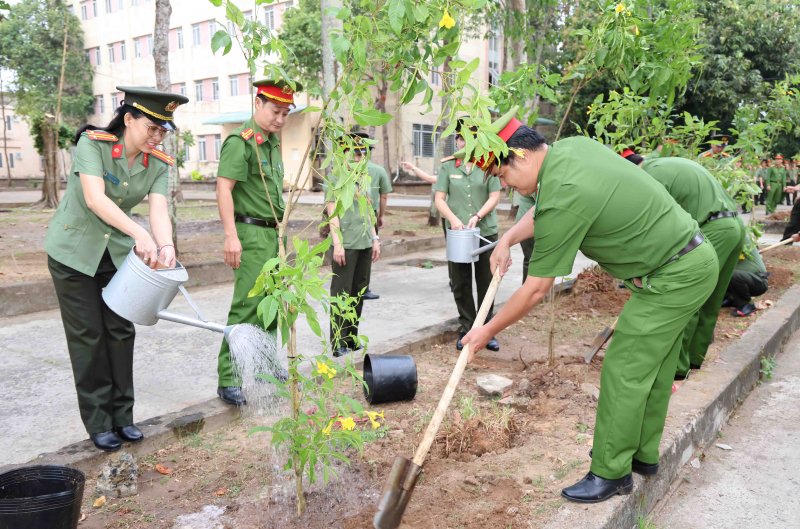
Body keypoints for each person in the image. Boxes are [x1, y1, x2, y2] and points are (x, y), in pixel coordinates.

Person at [459, 107, 718, 503]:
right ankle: (642, 455)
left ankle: (611, 473)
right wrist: (508, 238)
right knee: (655, 365)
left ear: (521, 156)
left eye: (502, 175)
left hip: (673, 276)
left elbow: (536, 288)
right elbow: (546, 208)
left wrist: (487, 331)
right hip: (690, 262)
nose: (505, 185)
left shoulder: (562, 192)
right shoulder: (570, 151)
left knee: (624, 367)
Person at [45, 87, 188, 451]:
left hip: (116, 255)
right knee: (88, 336)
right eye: (152, 128)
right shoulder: (93, 145)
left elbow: (159, 210)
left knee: (121, 332)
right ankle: (99, 421)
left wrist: (167, 246)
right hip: (73, 253)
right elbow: (95, 199)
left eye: (163, 132)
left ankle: (123, 417)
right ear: (128, 119)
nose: (157, 137)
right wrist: (140, 234)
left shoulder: (158, 163)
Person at [621, 150, 746, 379]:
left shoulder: (651, 176)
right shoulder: (666, 164)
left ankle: (678, 368)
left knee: (689, 295)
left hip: (714, 229)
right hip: (733, 225)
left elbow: (656, 226)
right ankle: (694, 359)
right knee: (711, 298)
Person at [216, 79, 302, 406]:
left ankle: (266, 366)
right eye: (275, 111)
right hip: (250, 234)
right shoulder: (241, 142)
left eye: (285, 113)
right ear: (258, 103)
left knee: (272, 302)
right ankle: (229, 378)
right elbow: (224, 189)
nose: (280, 119)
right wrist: (231, 235)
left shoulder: (271, 143)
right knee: (246, 305)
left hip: (274, 234)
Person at [434, 118, 502, 352]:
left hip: (485, 232)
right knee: (460, 282)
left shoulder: (488, 163)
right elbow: (439, 199)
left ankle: (486, 331)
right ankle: (467, 328)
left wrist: (478, 215)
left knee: (486, 281)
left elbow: (494, 197)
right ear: (457, 141)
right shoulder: (448, 167)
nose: (464, 142)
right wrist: (453, 219)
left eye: (470, 139)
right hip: (458, 234)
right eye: (461, 138)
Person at [326, 133, 381, 357]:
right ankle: (338, 340)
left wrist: (374, 239)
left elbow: (369, 211)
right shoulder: (336, 177)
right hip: (346, 244)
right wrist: (337, 243)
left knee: (358, 292)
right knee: (341, 293)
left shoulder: (364, 176)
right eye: (355, 153)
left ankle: (351, 337)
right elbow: (332, 212)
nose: (359, 157)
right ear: (344, 153)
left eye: (362, 153)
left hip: (364, 242)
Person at [362, 133, 392, 301]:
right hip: (370, 214)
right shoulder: (378, 170)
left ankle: (348, 287)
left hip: (347, 216)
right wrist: (381, 215)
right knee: (367, 250)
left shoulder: (343, 169)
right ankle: (363, 288)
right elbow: (384, 196)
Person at [723, 242, 769, 317]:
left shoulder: (737, 237)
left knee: (732, 275)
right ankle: (730, 298)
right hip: (746, 277)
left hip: (758, 280)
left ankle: (747, 305)